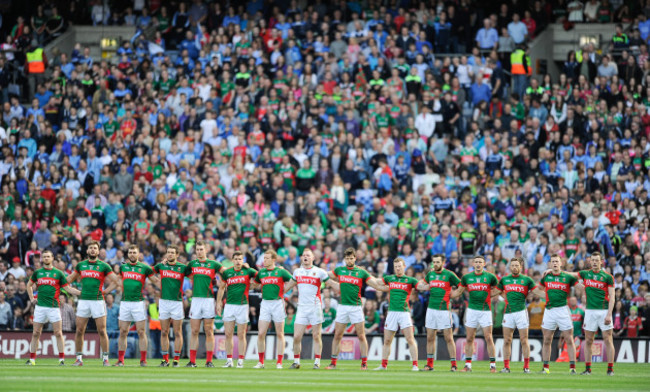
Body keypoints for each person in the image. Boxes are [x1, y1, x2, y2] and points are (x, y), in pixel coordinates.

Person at [325, 247, 387, 370]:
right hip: (342, 306)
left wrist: (391, 287)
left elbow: (375, 283)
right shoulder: (339, 270)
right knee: (337, 335)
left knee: (361, 335)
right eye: (347, 258)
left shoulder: (361, 272)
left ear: (355, 258)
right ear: (345, 259)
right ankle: (333, 363)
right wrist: (312, 271)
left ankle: (364, 363)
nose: (349, 260)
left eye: (351, 258)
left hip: (356, 307)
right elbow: (325, 275)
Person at [284, 248, 338, 369]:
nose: (306, 257)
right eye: (304, 255)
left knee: (316, 336)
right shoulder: (297, 272)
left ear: (313, 258)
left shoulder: (320, 272)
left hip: (315, 307)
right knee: (297, 336)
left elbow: (331, 284)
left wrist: (341, 287)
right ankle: (296, 361)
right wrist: (279, 294)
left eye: (308, 255)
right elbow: (289, 286)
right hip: (302, 308)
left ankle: (317, 362)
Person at [66, 241, 119, 366]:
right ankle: (79, 359)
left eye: (95, 248)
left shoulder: (104, 266)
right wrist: (59, 281)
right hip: (83, 301)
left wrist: (105, 291)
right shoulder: (81, 265)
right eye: (91, 248)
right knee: (79, 330)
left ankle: (105, 359)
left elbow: (116, 281)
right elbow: (68, 279)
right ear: (87, 250)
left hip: (98, 301)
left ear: (98, 251)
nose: (93, 250)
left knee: (102, 330)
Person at [26, 250, 81, 365]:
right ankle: (32, 359)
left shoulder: (59, 273)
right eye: (44, 257)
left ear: (52, 258)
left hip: (54, 307)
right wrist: (32, 298)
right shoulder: (38, 272)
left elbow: (68, 288)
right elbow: (29, 285)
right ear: (42, 259)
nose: (46, 258)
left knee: (58, 333)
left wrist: (81, 293)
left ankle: (61, 359)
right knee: (36, 333)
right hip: (40, 307)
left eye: (48, 256)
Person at [565, 252, 615, 376]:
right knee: (588, 340)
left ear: (601, 262)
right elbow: (571, 274)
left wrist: (609, 314)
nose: (594, 262)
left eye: (596, 260)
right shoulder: (586, 274)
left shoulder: (608, 277)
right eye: (592, 260)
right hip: (590, 311)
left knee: (608, 339)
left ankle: (610, 369)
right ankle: (588, 369)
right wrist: (554, 271)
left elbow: (612, 296)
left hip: (603, 311)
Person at [452, 255, 500, 372]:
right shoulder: (467, 277)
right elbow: (459, 291)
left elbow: (499, 288)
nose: (478, 264)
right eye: (476, 262)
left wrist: (489, 295)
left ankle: (492, 365)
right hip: (472, 310)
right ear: (473, 264)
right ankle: (468, 365)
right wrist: (447, 296)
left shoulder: (490, 277)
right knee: (469, 338)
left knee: (488, 337)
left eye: (480, 262)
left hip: (485, 310)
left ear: (484, 264)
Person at [533, 254, 579, 374]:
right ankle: (546, 368)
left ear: (561, 263)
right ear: (550, 264)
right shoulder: (546, 277)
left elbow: (579, 287)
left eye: (557, 261)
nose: (554, 263)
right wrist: (546, 296)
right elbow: (538, 290)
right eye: (552, 261)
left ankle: (573, 368)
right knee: (547, 339)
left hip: (563, 310)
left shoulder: (567, 276)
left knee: (569, 339)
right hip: (549, 311)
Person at [416, 253, 461, 371]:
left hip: (444, 310)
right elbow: (422, 284)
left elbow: (461, 285)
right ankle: (429, 364)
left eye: (437, 262)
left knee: (448, 338)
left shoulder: (449, 274)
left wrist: (454, 295)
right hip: (431, 309)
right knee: (430, 337)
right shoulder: (430, 274)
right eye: (434, 262)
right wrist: (422, 286)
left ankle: (454, 365)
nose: (435, 264)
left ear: (443, 262)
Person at [114, 245, 158, 366]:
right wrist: (105, 291)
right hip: (125, 302)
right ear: (128, 254)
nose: (132, 254)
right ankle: (121, 360)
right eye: (130, 252)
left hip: (138, 303)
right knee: (123, 331)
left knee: (141, 331)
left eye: (134, 252)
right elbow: (116, 282)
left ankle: (143, 360)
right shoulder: (123, 267)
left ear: (138, 254)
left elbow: (156, 281)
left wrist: (168, 288)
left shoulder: (144, 267)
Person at [185, 240, 226, 367]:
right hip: (196, 300)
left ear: (206, 250)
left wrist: (243, 265)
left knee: (209, 330)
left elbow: (227, 272)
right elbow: (183, 272)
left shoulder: (213, 264)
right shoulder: (192, 264)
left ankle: (209, 361)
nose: (199, 252)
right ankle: (192, 361)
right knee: (194, 330)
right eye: (197, 250)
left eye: (201, 249)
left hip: (208, 300)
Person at [374, 257, 420, 371]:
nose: (398, 268)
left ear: (404, 266)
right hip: (392, 312)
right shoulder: (390, 278)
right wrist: (366, 277)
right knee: (387, 340)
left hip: (404, 312)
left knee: (410, 338)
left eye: (399, 266)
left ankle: (415, 365)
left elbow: (421, 286)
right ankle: (383, 365)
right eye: (396, 267)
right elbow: (377, 282)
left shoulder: (410, 280)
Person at [252, 250, 293, 369]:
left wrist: (285, 291)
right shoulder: (262, 272)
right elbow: (255, 284)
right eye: (264, 258)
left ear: (273, 260)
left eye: (267, 258)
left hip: (277, 303)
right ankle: (261, 362)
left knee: (280, 333)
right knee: (261, 333)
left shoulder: (280, 271)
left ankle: (279, 362)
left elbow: (293, 280)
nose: (264, 260)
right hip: (265, 303)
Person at [217, 250, 257, 368]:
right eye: (236, 259)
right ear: (232, 260)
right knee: (228, 334)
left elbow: (260, 276)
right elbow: (221, 288)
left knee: (241, 334)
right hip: (229, 305)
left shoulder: (248, 271)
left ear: (243, 260)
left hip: (243, 305)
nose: (238, 261)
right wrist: (218, 302)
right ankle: (229, 360)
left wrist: (253, 283)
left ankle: (240, 360)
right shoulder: (227, 272)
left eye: (240, 259)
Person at [498, 257, 536, 373]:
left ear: (521, 266)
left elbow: (535, 291)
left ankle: (526, 367)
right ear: (510, 267)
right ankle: (506, 367)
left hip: (521, 312)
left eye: (516, 265)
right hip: (508, 312)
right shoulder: (504, 280)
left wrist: (548, 296)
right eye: (512, 265)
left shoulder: (527, 280)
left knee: (524, 340)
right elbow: (497, 291)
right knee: (507, 340)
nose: (514, 267)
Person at [154, 244, 188, 367]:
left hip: (177, 302)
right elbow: (148, 272)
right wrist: (157, 284)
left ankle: (176, 360)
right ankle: (165, 360)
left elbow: (194, 275)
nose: (170, 254)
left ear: (177, 255)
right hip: (164, 302)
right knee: (164, 331)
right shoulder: (161, 266)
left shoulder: (182, 267)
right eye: (168, 252)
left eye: (172, 252)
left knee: (178, 332)